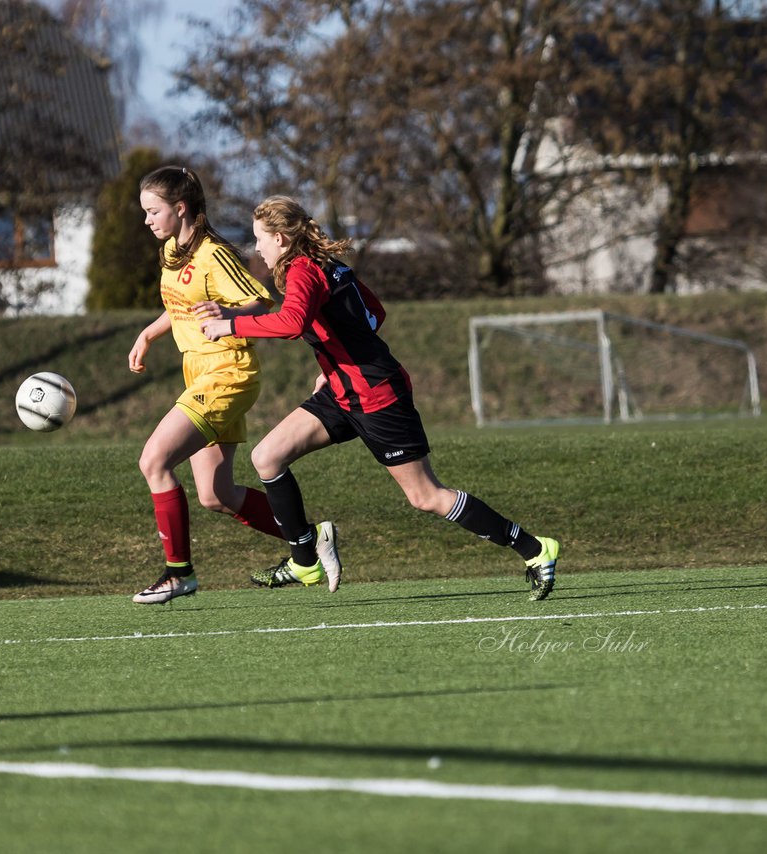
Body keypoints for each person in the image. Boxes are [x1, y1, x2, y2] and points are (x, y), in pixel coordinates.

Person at [200, 195, 558, 600]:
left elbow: (291, 322)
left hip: (377, 396)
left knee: (426, 496)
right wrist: (333, 362)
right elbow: (374, 313)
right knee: (267, 457)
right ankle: (305, 560)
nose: (256, 248)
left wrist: (231, 324)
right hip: (342, 391)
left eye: (258, 239)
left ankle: (535, 549)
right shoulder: (327, 266)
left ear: (280, 239)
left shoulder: (303, 269)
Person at [127, 169, 342, 605]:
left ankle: (178, 574)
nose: (148, 220)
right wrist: (149, 333)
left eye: (154, 210)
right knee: (216, 494)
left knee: (153, 461)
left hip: (228, 372)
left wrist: (226, 311)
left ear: (180, 208)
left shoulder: (214, 253)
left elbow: (260, 300)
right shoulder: (171, 250)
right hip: (200, 369)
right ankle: (310, 537)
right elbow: (184, 307)